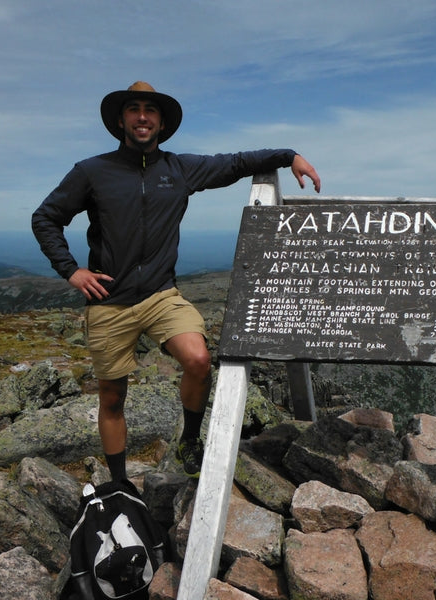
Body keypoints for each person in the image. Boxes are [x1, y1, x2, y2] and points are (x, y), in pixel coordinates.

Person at [32, 81, 321, 480]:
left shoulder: (179, 169)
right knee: (113, 398)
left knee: (199, 360)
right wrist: (71, 269)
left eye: (150, 110)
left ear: (162, 122)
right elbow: (45, 217)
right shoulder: (93, 172)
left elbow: (235, 163)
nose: (142, 117)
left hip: (160, 295)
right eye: (133, 109)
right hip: (109, 301)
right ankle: (119, 484)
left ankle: (188, 439)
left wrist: (288, 155)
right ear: (121, 120)